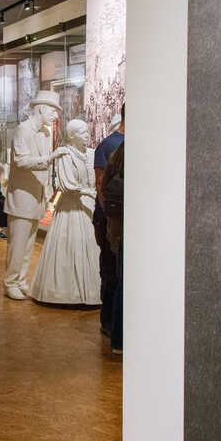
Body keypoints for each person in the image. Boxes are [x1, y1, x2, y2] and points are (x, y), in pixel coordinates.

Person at [3, 90, 69, 300]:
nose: (56, 116)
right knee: (18, 245)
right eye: (53, 111)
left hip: (37, 197)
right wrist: (50, 158)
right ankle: (10, 281)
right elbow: (21, 161)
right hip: (22, 198)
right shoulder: (23, 130)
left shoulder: (45, 133)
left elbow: (44, 166)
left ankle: (20, 280)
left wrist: (48, 192)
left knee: (29, 245)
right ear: (41, 109)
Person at [29, 120, 101, 305]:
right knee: (68, 246)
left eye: (87, 131)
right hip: (70, 207)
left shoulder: (91, 154)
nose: (87, 135)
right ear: (72, 136)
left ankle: (91, 291)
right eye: (82, 132)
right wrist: (88, 192)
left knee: (89, 246)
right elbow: (67, 185)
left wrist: (90, 192)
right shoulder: (64, 155)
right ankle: (64, 293)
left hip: (87, 208)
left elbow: (93, 180)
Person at [93, 104, 124, 336]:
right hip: (113, 221)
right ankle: (109, 323)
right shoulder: (108, 145)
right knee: (111, 271)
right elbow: (101, 186)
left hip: (118, 220)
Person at [101, 143, 123, 355]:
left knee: (120, 279)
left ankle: (117, 338)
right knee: (122, 281)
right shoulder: (121, 153)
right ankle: (119, 338)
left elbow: (104, 187)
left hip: (117, 225)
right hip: (123, 225)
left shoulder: (118, 155)